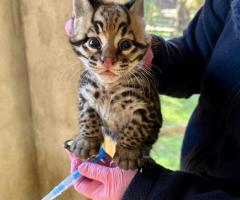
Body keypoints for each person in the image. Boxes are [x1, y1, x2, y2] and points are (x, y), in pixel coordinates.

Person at [66, 0, 240, 199]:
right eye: (95, 43)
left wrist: (149, 191)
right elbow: (195, 54)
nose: (108, 60)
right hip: (198, 166)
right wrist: (151, 56)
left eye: (123, 45)